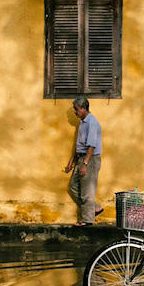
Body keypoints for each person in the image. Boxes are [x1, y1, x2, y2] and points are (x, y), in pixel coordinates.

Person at [63, 97, 103, 226]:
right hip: (81, 158)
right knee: (73, 187)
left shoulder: (92, 123)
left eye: (76, 109)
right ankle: (95, 208)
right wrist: (71, 161)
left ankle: (87, 220)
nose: (74, 112)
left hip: (89, 159)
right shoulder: (82, 122)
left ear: (84, 108)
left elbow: (91, 145)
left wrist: (85, 164)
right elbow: (79, 144)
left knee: (87, 192)